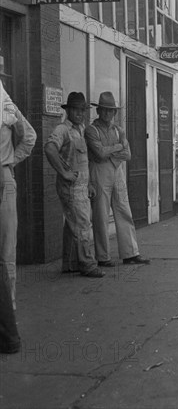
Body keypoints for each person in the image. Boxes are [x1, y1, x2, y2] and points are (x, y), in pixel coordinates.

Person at [84, 92, 150, 267]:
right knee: (101, 214)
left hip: (116, 170)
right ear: (98, 111)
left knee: (124, 210)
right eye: (104, 110)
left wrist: (111, 152)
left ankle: (130, 253)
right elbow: (98, 153)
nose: (107, 114)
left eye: (110, 111)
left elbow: (127, 155)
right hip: (99, 172)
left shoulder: (118, 129)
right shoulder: (91, 130)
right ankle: (103, 256)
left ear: (114, 113)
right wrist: (118, 146)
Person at [44, 92, 104, 278]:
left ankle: (70, 264)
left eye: (82, 110)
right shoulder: (63, 129)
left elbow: (83, 160)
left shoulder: (80, 129)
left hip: (81, 186)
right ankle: (88, 264)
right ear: (68, 110)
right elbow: (49, 148)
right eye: (76, 110)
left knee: (73, 225)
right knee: (82, 224)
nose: (80, 113)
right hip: (70, 186)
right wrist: (64, 172)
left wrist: (89, 185)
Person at [0, 76, 36, 354]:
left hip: (3, 179)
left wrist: (11, 161)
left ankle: (7, 315)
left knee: (6, 253)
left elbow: (30, 136)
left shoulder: (7, 107)